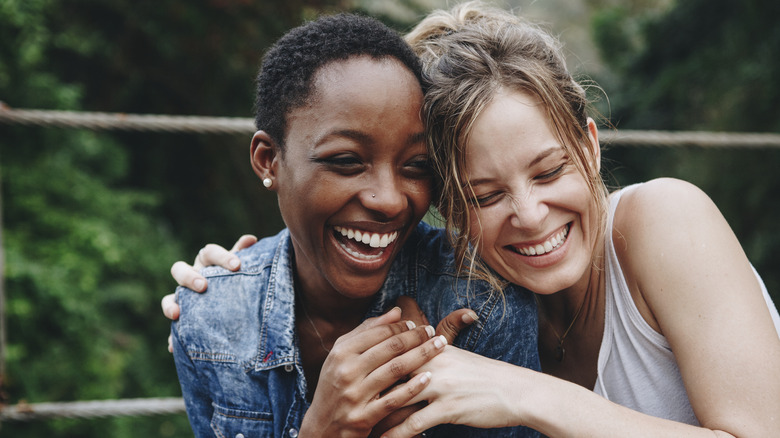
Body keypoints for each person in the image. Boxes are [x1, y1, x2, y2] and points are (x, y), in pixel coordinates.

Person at [169, 2, 780, 437]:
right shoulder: (474, 302)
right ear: (447, 207)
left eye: (548, 172)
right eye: (485, 196)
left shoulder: (663, 221)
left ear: (590, 147)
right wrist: (240, 282)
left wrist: (526, 395)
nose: (532, 216)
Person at [168, 12, 539, 438]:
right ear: (269, 160)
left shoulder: (483, 303)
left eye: (416, 166)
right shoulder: (210, 320)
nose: (389, 199)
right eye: (346, 161)